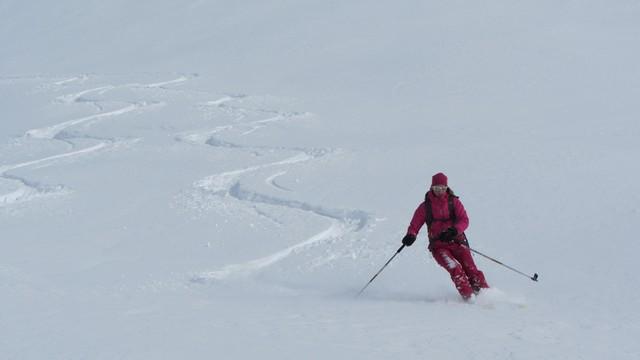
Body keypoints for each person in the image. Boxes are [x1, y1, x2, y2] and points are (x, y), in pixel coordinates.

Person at [401, 172, 489, 300]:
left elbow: (464, 220)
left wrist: (454, 230)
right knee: (455, 269)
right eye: (437, 188)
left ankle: (485, 296)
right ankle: (470, 298)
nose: (440, 191)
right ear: (431, 188)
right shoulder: (425, 207)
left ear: (447, 187)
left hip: (457, 241)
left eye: (442, 187)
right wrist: (411, 235)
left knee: (471, 269)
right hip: (438, 247)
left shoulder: (454, 202)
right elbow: (415, 224)